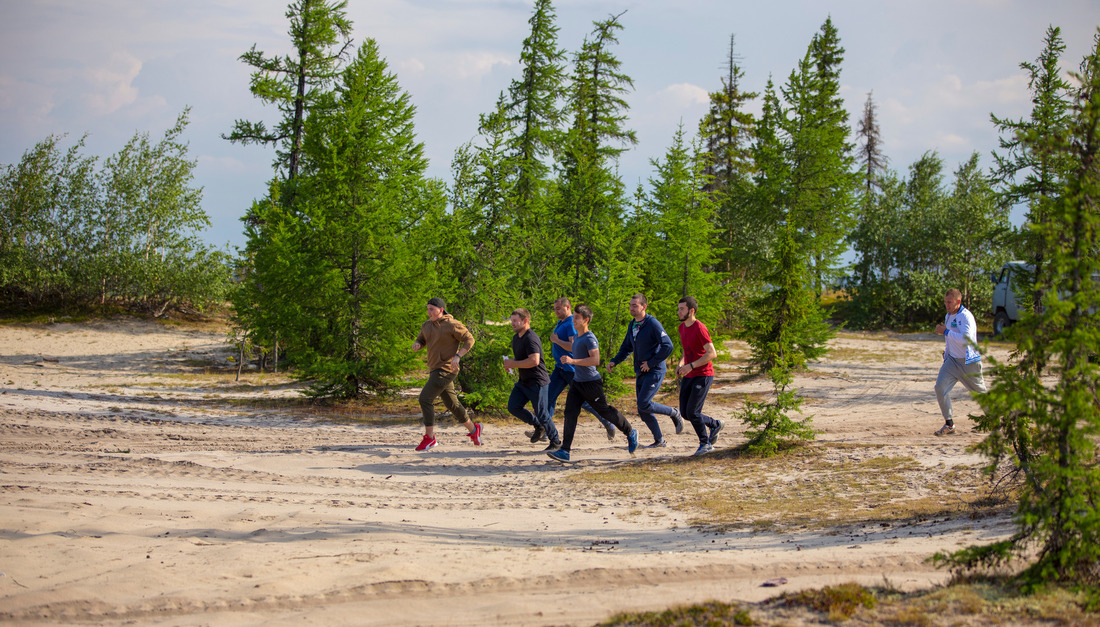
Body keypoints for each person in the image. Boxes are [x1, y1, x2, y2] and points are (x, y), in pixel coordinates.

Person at [547, 305, 638, 463]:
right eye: (573, 317)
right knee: (570, 413)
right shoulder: (576, 338)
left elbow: (595, 360)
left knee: (605, 411)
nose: (573, 320)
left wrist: (573, 361)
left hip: (591, 383)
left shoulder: (590, 338)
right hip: (577, 382)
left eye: (576, 318)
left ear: (586, 320)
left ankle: (630, 432)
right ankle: (565, 450)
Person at [608, 293, 682, 447]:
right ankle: (659, 440)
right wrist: (615, 361)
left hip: (655, 370)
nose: (631, 308)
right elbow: (626, 348)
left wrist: (651, 362)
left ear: (644, 306)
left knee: (644, 403)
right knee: (643, 410)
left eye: (635, 305)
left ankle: (674, 412)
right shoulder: (632, 325)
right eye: (630, 305)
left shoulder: (653, 323)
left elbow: (668, 346)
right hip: (640, 371)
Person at [411, 297, 483, 451]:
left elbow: (470, 339)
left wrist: (458, 356)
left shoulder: (452, 324)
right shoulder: (426, 326)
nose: (429, 312)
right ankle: (474, 430)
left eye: (432, 309)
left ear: (441, 310)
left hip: (446, 369)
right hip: (434, 369)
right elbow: (422, 338)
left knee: (425, 398)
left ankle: (429, 438)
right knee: (453, 404)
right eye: (427, 308)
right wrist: (418, 343)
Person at [546, 297, 618, 442]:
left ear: (567, 307)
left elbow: (573, 346)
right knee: (548, 397)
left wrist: (556, 341)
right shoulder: (562, 322)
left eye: (558, 308)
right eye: (554, 309)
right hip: (560, 368)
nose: (556, 311)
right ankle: (545, 429)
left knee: (584, 402)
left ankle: (607, 422)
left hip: (571, 369)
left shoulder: (571, 324)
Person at [504, 308, 561, 451]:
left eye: (515, 321)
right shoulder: (516, 338)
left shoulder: (531, 338)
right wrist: (510, 363)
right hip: (523, 382)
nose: (513, 324)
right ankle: (538, 425)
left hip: (537, 382)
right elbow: (521, 358)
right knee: (513, 406)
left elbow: (534, 361)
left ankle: (556, 442)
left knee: (543, 413)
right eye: (512, 321)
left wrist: (514, 364)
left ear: (525, 321)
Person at [933, 288, 987, 436]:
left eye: (949, 302)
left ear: (958, 301)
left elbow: (966, 339)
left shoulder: (965, 316)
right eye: (945, 302)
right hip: (952, 362)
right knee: (939, 388)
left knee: (981, 394)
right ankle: (949, 424)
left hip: (969, 362)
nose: (947, 305)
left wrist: (945, 331)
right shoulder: (948, 316)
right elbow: (950, 339)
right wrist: (946, 356)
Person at [674, 296, 723, 456]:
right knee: (685, 413)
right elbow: (686, 350)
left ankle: (705, 444)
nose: (679, 311)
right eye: (679, 308)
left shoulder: (700, 328)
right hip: (689, 374)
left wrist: (692, 365)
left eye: (682, 309)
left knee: (693, 411)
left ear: (691, 310)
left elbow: (712, 353)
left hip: (703, 374)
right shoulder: (682, 327)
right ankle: (714, 424)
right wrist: (681, 363)